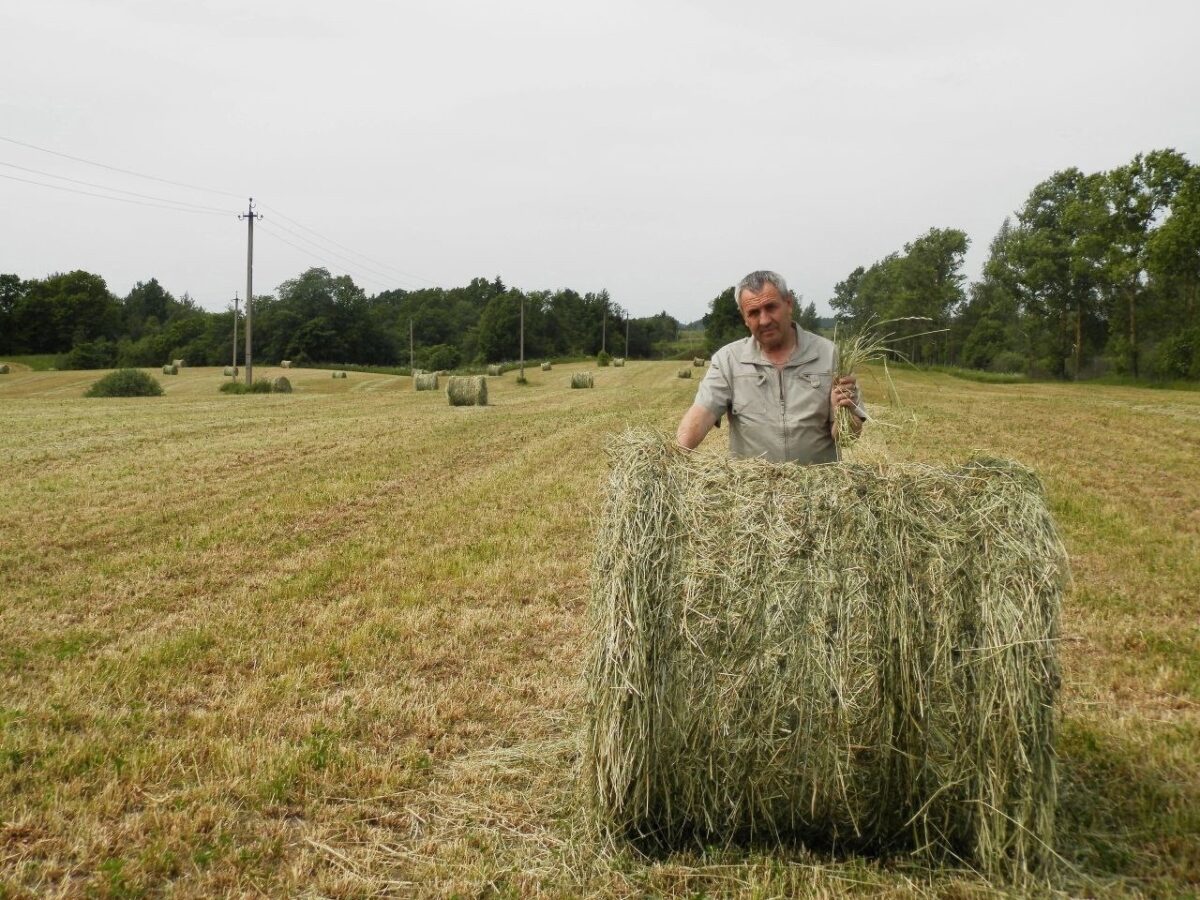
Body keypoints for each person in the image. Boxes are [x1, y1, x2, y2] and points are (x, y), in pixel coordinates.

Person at [675, 270, 863, 463]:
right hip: (752, 490)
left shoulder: (829, 355)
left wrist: (844, 410)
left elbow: (848, 438)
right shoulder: (728, 360)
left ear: (789, 304)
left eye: (770, 307)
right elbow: (702, 414)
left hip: (817, 489)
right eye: (754, 313)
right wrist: (670, 458)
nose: (764, 320)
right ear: (745, 319)